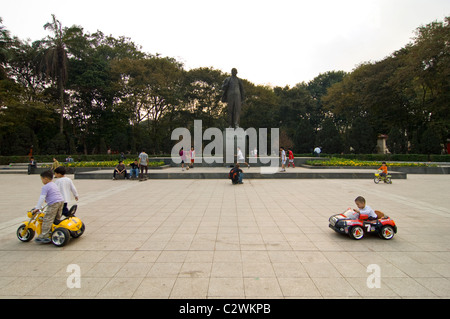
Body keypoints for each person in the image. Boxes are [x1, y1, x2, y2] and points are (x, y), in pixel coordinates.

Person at [32, 171, 64, 243]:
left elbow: (42, 198)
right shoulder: (53, 184)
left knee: (47, 219)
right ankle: (54, 230)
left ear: (45, 179)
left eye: (42, 179)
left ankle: (44, 235)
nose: (42, 181)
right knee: (56, 218)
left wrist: (37, 207)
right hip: (61, 201)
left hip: (53, 203)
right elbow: (54, 193)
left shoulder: (45, 187)